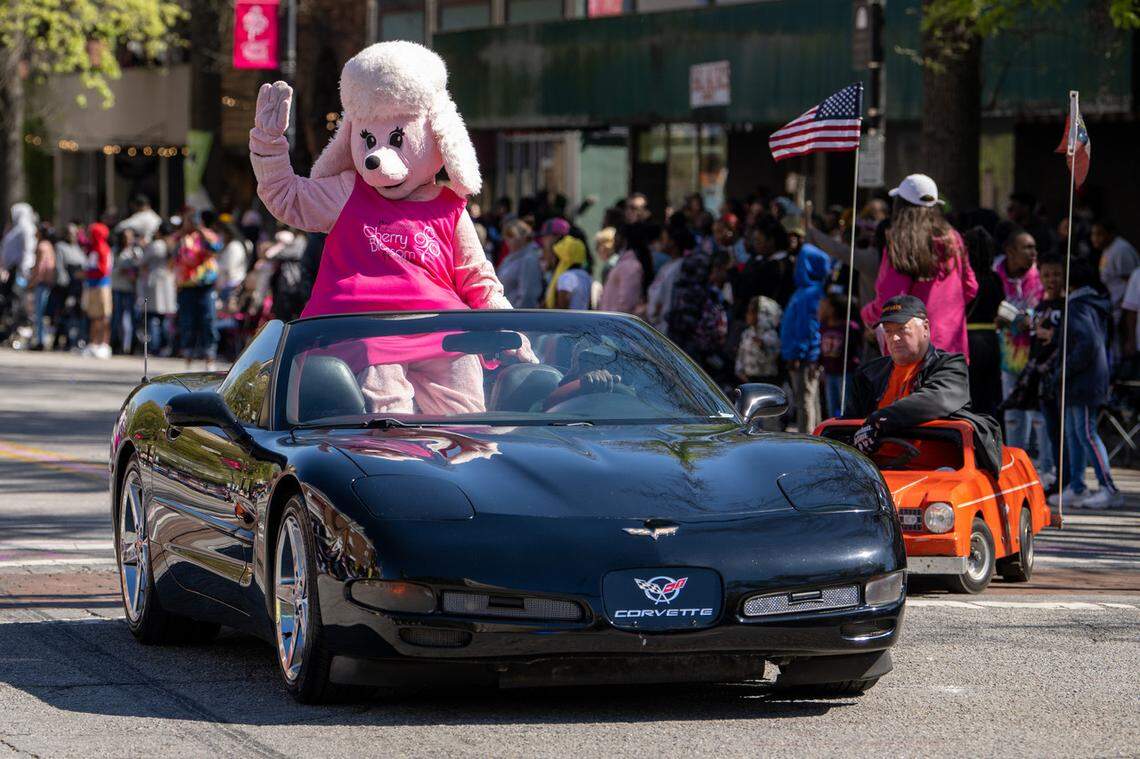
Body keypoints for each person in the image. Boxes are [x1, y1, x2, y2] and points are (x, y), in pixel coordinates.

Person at [846, 295, 1003, 476]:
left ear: (925, 328)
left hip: (935, 473)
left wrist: (879, 421)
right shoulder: (869, 373)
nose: (894, 338)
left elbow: (936, 398)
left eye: (902, 329)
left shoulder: (950, 365)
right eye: (888, 331)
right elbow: (849, 422)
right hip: (873, 474)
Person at [861, 174, 977, 359]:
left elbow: (891, 300)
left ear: (900, 205)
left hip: (914, 354)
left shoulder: (899, 242)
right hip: (953, 352)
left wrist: (868, 314)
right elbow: (970, 288)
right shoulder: (953, 239)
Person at [1048, 262, 1120, 509]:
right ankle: (1077, 486)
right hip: (1082, 380)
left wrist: (1063, 370)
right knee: (1074, 434)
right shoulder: (1092, 305)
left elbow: (1086, 344)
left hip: (1083, 380)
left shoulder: (1078, 306)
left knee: (1086, 433)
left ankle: (1108, 487)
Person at [994, 225, 1046, 471]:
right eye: (1027, 247)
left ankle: (1038, 466)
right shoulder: (995, 273)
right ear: (1010, 250)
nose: (1033, 252)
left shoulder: (1041, 276)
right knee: (1012, 409)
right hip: (1007, 352)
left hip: (1035, 352)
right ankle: (1015, 465)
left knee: (1036, 413)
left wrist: (1031, 317)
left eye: (1035, 247)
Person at [780, 240, 833, 433]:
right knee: (809, 398)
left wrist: (805, 355)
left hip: (802, 358)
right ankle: (815, 433)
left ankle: (808, 437)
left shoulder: (810, 294)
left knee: (805, 400)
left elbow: (809, 329)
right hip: (799, 356)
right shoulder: (805, 292)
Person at [963, 226, 1004, 420]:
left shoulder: (965, 279)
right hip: (992, 340)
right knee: (989, 398)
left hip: (969, 340)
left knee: (971, 397)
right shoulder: (995, 278)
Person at [174, 210, 222, 369]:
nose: (191, 223)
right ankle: (188, 358)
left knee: (208, 320)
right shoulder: (180, 238)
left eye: (193, 220)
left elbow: (216, 248)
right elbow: (176, 256)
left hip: (205, 285)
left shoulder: (207, 235)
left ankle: (210, 357)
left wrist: (201, 230)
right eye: (187, 220)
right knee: (187, 322)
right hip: (187, 285)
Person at [818, 286, 861, 418]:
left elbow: (857, 348)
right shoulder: (823, 328)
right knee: (832, 407)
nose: (820, 309)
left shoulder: (849, 327)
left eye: (824, 306)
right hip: (830, 373)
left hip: (846, 373)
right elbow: (821, 351)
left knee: (846, 406)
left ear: (833, 309)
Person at [138, 221, 179, 355]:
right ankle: (166, 346)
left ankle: (154, 346)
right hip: (169, 280)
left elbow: (143, 262)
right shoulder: (174, 245)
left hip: (155, 281)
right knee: (166, 317)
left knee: (152, 317)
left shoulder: (156, 245)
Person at [646, 219, 692, 334]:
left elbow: (667, 299)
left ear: (673, 242)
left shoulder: (679, 268)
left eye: (663, 239)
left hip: (665, 329)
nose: (660, 242)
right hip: (656, 326)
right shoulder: (667, 266)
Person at [598, 222, 653, 316]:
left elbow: (626, 305)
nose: (614, 240)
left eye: (617, 237)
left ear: (623, 239)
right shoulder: (624, 263)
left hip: (614, 325)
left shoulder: (630, 266)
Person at [81, 222, 114, 359]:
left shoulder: (101, 248)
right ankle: (94, 343)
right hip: (93, 286)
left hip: (100, 286)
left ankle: (102, 343)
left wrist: (87, 273)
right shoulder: (93, 248)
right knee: (94, 316)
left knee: (102, 316)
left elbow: (103, 269)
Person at [735, 294, 782, 388]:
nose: (747, 315)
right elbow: (741, 354)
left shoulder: (771, 336)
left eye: (751, 312)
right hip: (747, 381)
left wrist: (762, 346)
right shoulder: (747, 333)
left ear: (761, 315)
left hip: (764, 383)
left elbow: (771, 360)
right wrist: (739, 371)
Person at [496, 219, 543, 309]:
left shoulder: (529, 259)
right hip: (504, 313)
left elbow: (528, 296)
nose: (507, 240)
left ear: (523, 237)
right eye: (506, 236)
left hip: (514, 317)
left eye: (511, 236)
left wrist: (515, 317)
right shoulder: (509, 258)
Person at [110, 228, 143, 354]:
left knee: (133, 318)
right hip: (118, 287)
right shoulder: (116, 251)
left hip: (131, 289)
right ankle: (116, 344)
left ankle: (132, 346)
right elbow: (111, 270)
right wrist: (122, 270)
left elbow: (140, 269)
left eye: (130, 237)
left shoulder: (136, 251)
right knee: (117, 317)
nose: (127, 240)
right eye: (125, 237)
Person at [542, 234, 591, 310]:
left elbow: (562, 309)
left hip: (569, 321)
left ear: (562, 258)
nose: (553, 259)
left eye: (556, 256)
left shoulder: (566, 277)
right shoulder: (585, 275)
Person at [28, 224, 57, 350]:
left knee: (39, 314)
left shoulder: (41, 246)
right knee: (44, 313)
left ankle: (40, 340)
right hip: (48, 283)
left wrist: (33, 281)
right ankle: (42, 339)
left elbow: (40, 267)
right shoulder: (50, 246)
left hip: (41, 283)